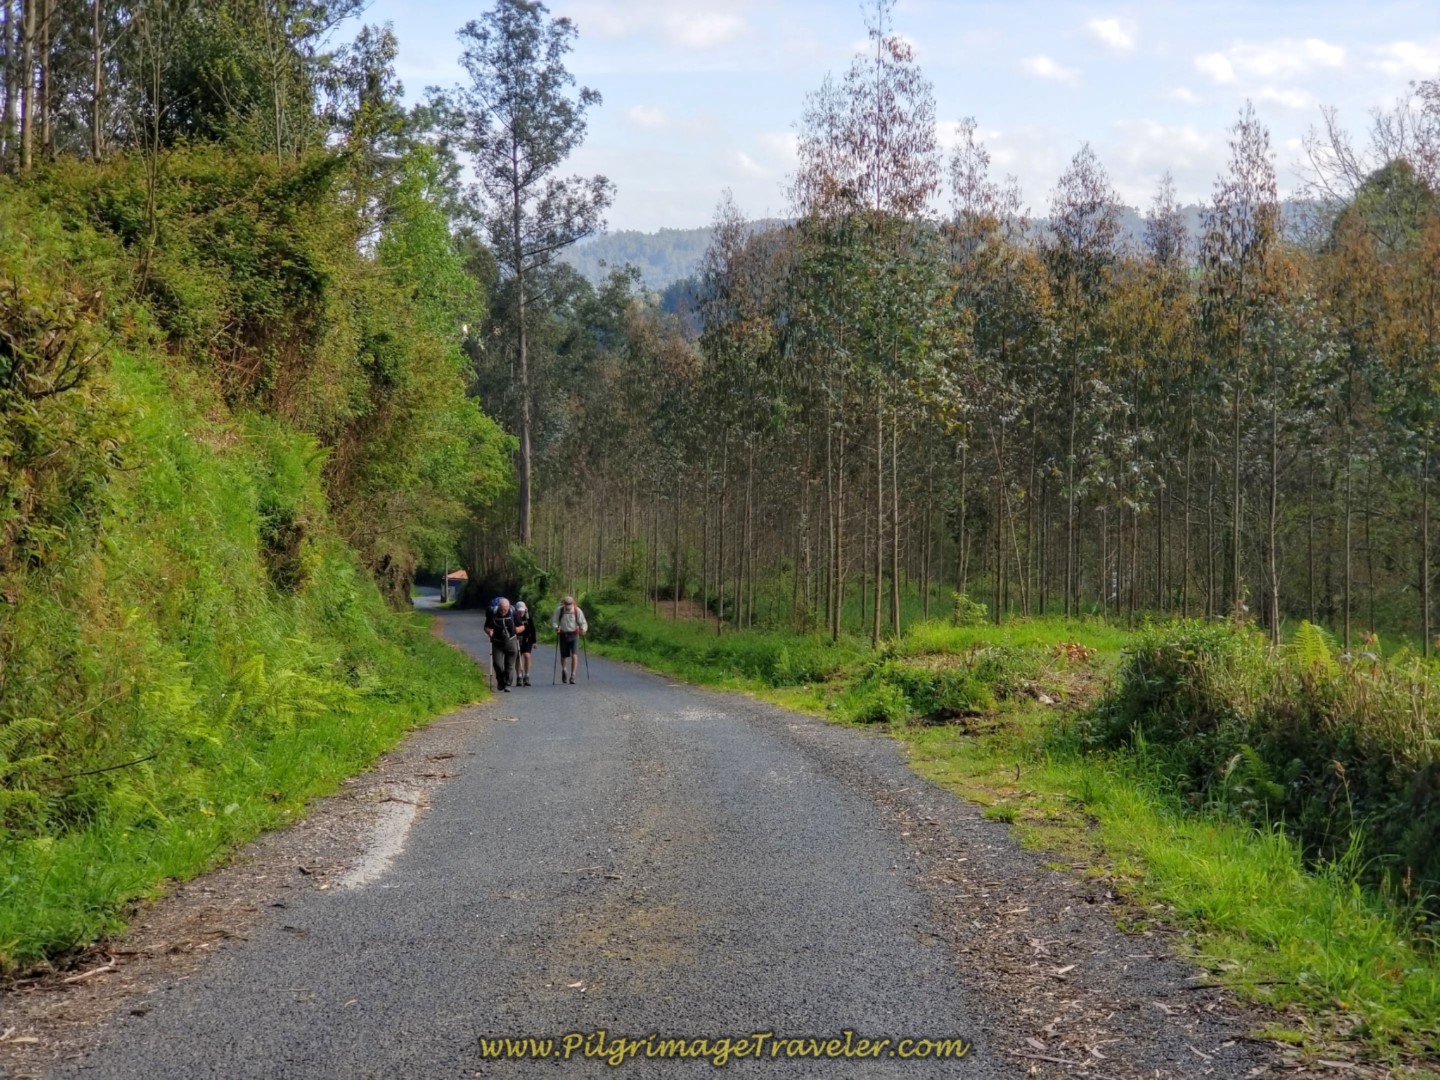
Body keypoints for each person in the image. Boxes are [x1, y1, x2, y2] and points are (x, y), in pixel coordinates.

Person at [484, 597, 520, 692]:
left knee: (509, 665)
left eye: (505, 609)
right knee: (498, 664)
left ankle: (508, 684)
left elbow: (522, 626)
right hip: (497, 642)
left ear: (508, 608)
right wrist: (489, 632)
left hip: (511, 641)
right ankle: (500, 681)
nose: (503, 611)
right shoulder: (493, 614)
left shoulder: (513, 613)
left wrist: (517, 630)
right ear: (498, 607)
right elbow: (486, 627)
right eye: (501, 609)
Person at [551, 595, 587, 684]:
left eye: (569, 604)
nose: (568, 606)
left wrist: (583, 629)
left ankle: (573, 675)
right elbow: (554, 621)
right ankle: (564, 670)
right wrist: (556, 628)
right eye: (566, 604)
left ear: (572, 603)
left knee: (574, 655)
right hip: (563, 634)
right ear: (564, 603)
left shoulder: (577, 611)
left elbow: (583, 622)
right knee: (563, 656)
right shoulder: (559, 610)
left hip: (574, 634)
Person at [514, 601, 537, 686]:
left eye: (522, 611)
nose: (521, 613)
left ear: (525, 610)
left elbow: (533, 629)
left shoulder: (528, 618)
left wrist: (534, 641)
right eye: (519, 611)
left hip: (527, 639)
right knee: (518, 658)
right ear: (516, 610)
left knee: (527, 656)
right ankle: (519, 677)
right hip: (516, 640)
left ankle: (527, 676)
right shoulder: (514, 618)